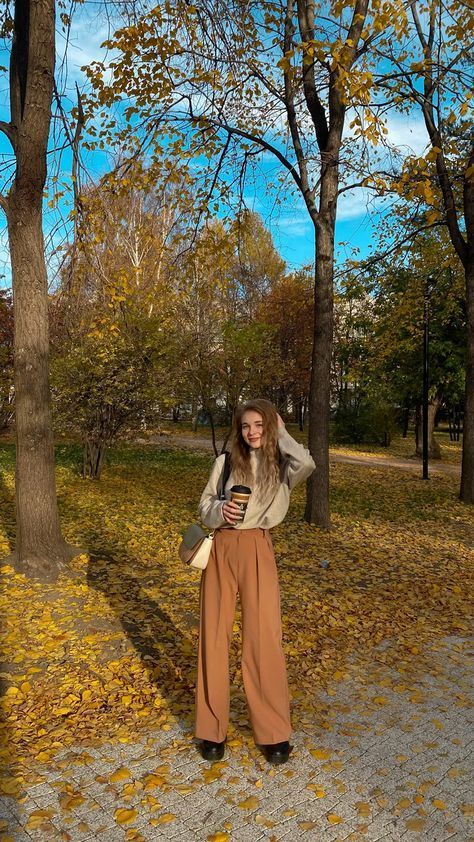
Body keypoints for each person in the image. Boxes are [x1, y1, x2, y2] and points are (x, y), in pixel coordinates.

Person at [195, 398, 315, 764]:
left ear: (270, 426)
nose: (252, 432)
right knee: (213, 636)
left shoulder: (282, 465)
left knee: (263, 638)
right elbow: (203, 506)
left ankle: (273, 732)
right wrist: (220, 510)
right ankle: (211, 729)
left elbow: (308, 463)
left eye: (259, 425)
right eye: (247, 426)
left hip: (258, 548)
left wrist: (282, 432)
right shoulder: (226, 461)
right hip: (223, 548)